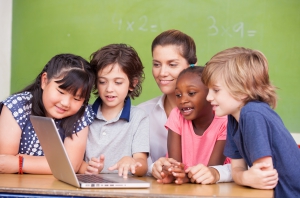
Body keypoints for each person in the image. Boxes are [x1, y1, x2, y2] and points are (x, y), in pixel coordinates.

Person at [137, 29, 232, 184]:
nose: (162, 73)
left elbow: (222, 168)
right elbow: (136, 163)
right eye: (156, 64)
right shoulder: (142, 113)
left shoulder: (223, 116)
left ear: (191, 65)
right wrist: (153, 167)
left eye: (172, 64)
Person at [202, 46, 299, 196]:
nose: (208, 97)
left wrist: (245, 177)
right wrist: (245, 177)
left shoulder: (252, 114)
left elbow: (264, 178)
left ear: (241, 91)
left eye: (216, 90)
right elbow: (237, 170)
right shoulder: (234, 118)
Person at [0, 53, 95, 174]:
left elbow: (70, 166)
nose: (66, 103)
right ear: (44, 81)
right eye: (61, 92)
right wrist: (57, 164)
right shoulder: (17, 105)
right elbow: (5, 161)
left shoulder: (81, 113)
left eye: (77, 99)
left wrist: (20, 163)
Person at [78, 44, 149, 178]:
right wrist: (88, 168)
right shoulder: (83, 114)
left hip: (124, 189)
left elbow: (142, 164)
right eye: (102, 82)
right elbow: (73, 160)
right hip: (88, 185)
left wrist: (132, 162)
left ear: (132, 84)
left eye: (118, 82)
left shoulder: (139, 117)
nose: (109, 89)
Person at [162, 66, 229, 184]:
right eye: (178, 95)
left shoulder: (224, 122)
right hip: (182, 187)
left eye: (191, 93)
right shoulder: (177, 115)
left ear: (210, 95)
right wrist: (174, 172)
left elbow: (211, 171)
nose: (183, 100)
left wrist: (185, 176)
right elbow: (175, 165)